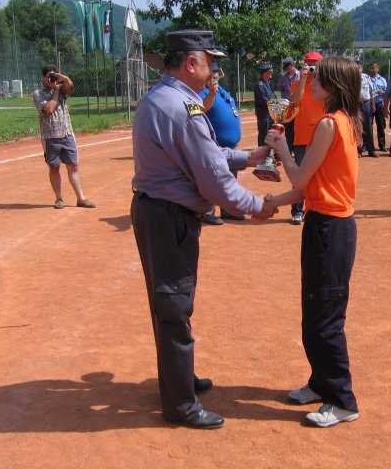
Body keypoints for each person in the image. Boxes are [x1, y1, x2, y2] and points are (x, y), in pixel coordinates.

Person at [130, 29, 277, 430]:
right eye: (210, 61)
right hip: (169, 217)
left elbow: (204, 156)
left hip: (156, 212)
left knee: (169, 301)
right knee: (174, 306)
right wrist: (256, 207)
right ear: (191, 62)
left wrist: (248, 156)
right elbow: (213, 182)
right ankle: (180, 404)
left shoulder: (163, 98)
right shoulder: (184, 108)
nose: (214, 68)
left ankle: (180, 377)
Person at [263, 56, 361, 428]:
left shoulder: (328, 124)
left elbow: (301, 178)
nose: (313, 80)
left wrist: (281, 147)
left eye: (319, 77)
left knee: (325, 319)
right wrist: (270, 202)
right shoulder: (344, 121)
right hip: (325, 223)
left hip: (330, 229)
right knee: (315, 311)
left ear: (334, 86)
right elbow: (313, 188)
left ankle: (342, 399)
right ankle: (321, 382)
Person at [33, 65, 95, 209]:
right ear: (43, 77)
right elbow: (48, 108)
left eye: (54, 75)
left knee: (73, 166)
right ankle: (59, 198)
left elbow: (70, 86)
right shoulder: (38, 93)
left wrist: (64, 79)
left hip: (66, 133)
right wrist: (55, 90)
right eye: (49, 76)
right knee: (54, 167)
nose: (52, 78)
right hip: (50, 136)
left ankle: (81, 198)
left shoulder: (62, 90)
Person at [199, 61, 245, 223]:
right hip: (216, 145)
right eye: (212, 71)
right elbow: (201, 109)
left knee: (229, 180)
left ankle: (227, 209)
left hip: (231, 146)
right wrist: (211, 93)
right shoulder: (203, 92)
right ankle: (207, 211)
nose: (215, 74)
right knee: (213, 179)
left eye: (217, 71)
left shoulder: (221, 90)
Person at [288, 51, 326, 225]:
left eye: (315, 64)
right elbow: (293, 103)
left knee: (323, 174)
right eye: (309, 64)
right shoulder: (297, 83)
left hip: (323, 136)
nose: (312, 68)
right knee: (300, 177)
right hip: (302, 137)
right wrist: (303, 79)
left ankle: (320, 208)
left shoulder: (327, 85)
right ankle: (297, 211)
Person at [278, 57, 300, 152]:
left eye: (288, 66)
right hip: (286, 107)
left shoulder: (300, 75)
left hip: (297, 106)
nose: (287, 69)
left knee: (297, 128)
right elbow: (282, 90)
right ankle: (289, 149)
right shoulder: (284, 76)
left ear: (292, 65)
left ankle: (297, 149)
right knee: (287, 129)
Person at [357, 59, 378, 157]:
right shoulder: (349, 77)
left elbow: (372, 92)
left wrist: (373, 105)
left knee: (368, 127)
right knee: (358, 127)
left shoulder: (366, 77)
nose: (357, 69)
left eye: (359, 67)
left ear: (361, 68)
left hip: (366, 103)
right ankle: (359, 150)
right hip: (356, 105)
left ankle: (371, 150)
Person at [254, 64, 276, 147]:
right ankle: (261, 154)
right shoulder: (260, 85)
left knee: (270, 133)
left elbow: (273, 96)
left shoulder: (269, 83)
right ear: (264, 73)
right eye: (269, 72)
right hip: (264, 114)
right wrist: (275, 105)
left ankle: (269, 152)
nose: (271, 74)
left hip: (270, 113)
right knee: (264, 134)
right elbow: (264, 99)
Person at [368, 62, 387, 151]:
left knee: (381, 124)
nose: (372, 70)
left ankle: (382, 145)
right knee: (368, 125)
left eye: (373, 68)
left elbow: (387, 92)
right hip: (368, 104)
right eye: (371, 68)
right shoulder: (366, 79)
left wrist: (382, 92)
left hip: (379, 104)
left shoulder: (382, 80)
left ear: (377, 69)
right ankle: (368, 145)